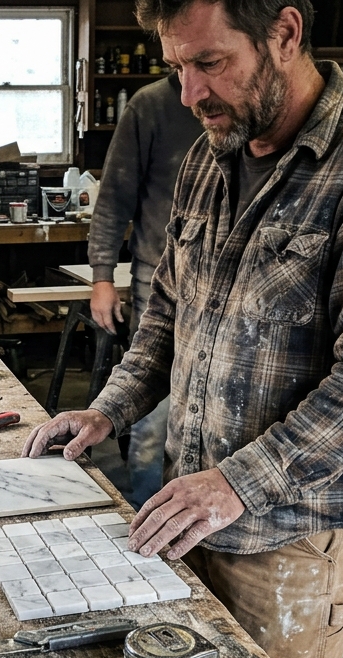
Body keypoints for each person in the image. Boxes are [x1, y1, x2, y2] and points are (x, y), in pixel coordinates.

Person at [22, 1, 343, 658]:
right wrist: (107, 411)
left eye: (210, 63)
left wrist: (234, 485)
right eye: (176, 68)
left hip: (291, 536)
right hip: (191, 508)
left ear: (284, 34)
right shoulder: (207, 157)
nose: (189, 94)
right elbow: (167, 317)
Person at [87, 73, 203, 507]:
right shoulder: (150, 105)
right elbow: (114, 197)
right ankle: (145, 511)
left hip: (230, 286)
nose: (194, 90)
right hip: (158, 278)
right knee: (155, 411)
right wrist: (102, 276)